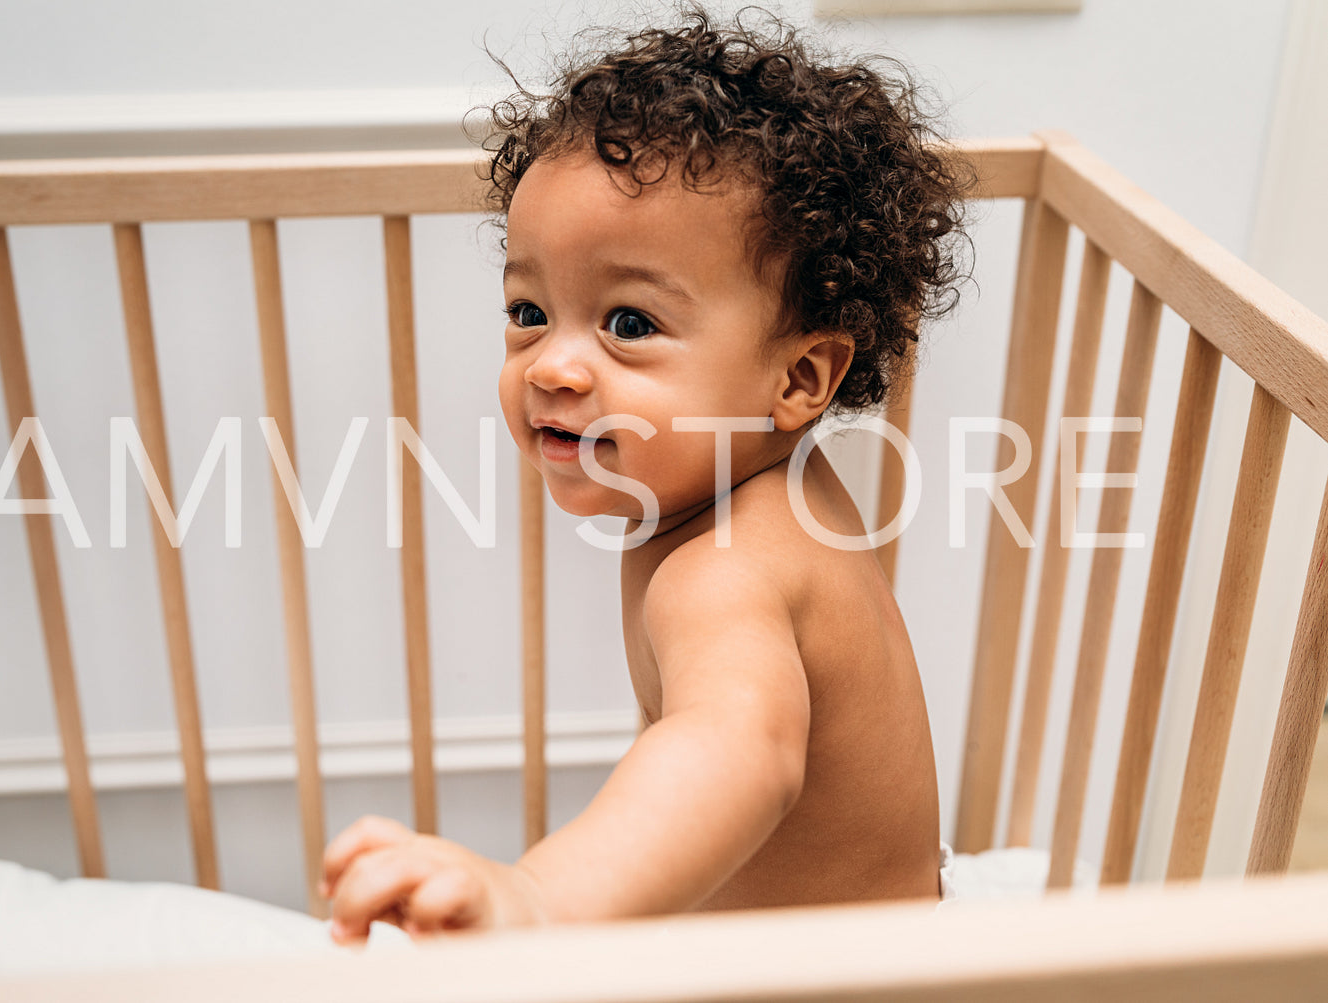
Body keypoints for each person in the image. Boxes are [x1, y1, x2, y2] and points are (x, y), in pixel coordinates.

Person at [322, 1, 971, 942]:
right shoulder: (775, 490)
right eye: (529, 309)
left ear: (796, 379)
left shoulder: (725, 571)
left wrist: (539, 898)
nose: (549, 363)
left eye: (628, 323)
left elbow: (733, 748)